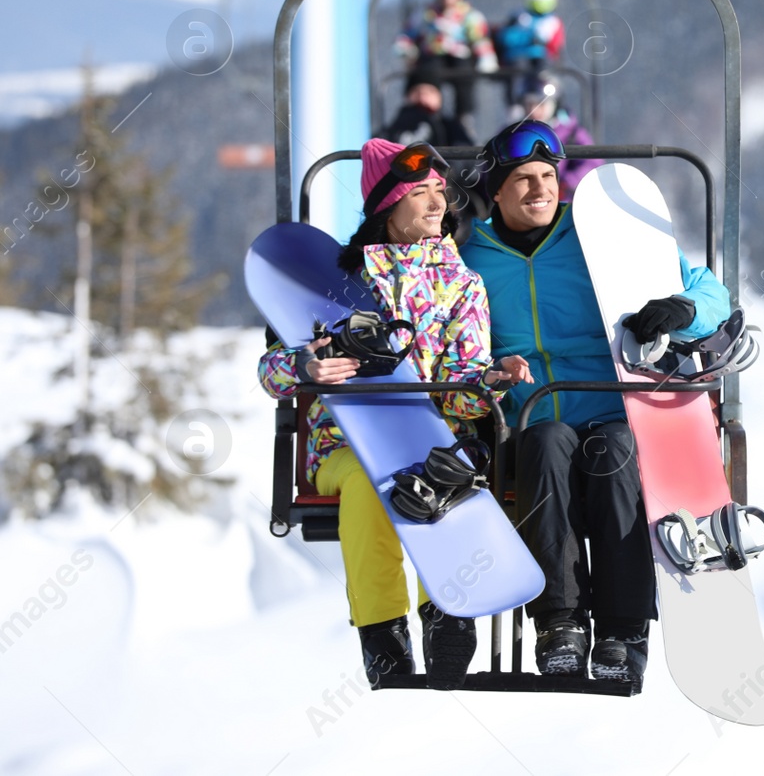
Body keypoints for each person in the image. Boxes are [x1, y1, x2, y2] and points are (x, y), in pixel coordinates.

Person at [459, 121, 731, 684]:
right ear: (496, 192)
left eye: (547, 176)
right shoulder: (471, 263)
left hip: (614, 407)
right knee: (545, 445)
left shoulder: (599, 238)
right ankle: (560, 622)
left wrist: (682, 310)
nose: (540, 189)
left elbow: (711, 292)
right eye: (524, 180)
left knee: (612, 455)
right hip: (531, 416)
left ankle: (623, 627)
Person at [256, 139, 532, 690]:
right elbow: (269, 373)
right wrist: (304, 368)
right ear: (386, 206)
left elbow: (459, 391)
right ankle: (382, 632)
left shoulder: (460, 285)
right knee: (369, 482)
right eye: (420, 193)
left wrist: (489, 382)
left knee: (438, 476)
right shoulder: (331, 280)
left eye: (440, 192)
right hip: (345, 445)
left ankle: (444, 616)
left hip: (429, 440)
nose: (438, 205)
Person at [395, 0, 498, 135]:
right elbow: (409, 32)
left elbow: (480, 39)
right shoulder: (427, 14)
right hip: (433, 54)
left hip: (459, 56)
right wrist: (405, 46)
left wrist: (486, 57)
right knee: (428, 73)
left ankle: (464, 116)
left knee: (464, 74)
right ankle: (428, 114)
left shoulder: (469, 16)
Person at [513, 80, 599, 200]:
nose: (534, 110)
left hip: (562, 202)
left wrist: (566, 182)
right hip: (522, 200)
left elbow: (592, 164)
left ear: (553, 105)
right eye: (529, 104)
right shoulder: (513, 133)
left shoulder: (572, 133)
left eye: (540, 105)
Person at [494, 0, 565, 102]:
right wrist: (527, 37)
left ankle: (551, 103)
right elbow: (505, 37)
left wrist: (544, 42)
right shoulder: (519, 17)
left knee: (547, 76)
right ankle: (515, 104)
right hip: (517, 57)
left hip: (541, 58)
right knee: (516, 76)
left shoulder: (552, 22)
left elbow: (556, 44)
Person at [381, 80, 472, 148]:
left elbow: (466, 157)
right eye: (417, 92)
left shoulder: (450, 127)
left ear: (439, 98)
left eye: (429, 92)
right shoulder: (397, 125)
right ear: (407, 97)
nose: (422, 97)